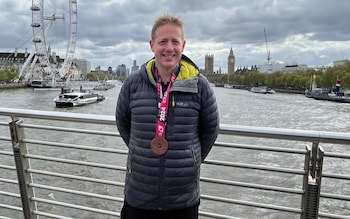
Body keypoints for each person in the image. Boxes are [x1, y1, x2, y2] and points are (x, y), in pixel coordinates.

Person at [116, 14, 219, 219]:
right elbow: (122, 122)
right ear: (152, 45)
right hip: (140, 195)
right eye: (163, 41)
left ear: (183, 45)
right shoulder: (133, 84)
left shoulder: (199, 85)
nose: (169, 48)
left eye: (175, 42)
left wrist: (192, 159)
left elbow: (210, 129)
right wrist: (142, 153)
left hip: (182, 198)